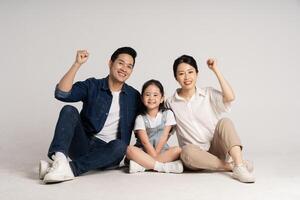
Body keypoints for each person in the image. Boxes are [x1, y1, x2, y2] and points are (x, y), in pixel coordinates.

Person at [39, 47, 141, 183]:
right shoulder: (93, 85)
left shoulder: (133, 96)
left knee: (120, 146)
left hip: (109, 152)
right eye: (121, 63)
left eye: (129, 66)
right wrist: (77, 64)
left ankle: (63, 169)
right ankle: (60, 159)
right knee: (69, 109)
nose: (124, 69)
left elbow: (146, 122)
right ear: (110, 63)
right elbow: (62, 94)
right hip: (83, 145)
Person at [166, 55, 255, 183]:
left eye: (190, 72)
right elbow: (165, 130)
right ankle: (232, 166)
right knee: (186, 151)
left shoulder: (207, 93)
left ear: (197, 73)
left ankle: (239, 166)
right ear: (176, 77)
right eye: (181, 74)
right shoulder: (170, 103)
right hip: (195, 157)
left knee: (225, 122)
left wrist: (215, 70)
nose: (186, 77)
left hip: (217, 149)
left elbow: (230, 97)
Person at [126, 79, 183, 173]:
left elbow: (164, 137)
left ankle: (143, 166)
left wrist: (155, 156)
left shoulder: (168, 114)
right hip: (144, 152)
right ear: (142, 98)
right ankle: (163, 167)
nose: (151, 98)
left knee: (178, 150)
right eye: (147, 94)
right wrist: (154, 156)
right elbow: (145, 142)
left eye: (155, 95)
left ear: (162, 98)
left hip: (161, 150)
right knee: (129, 150)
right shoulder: (140, 118)